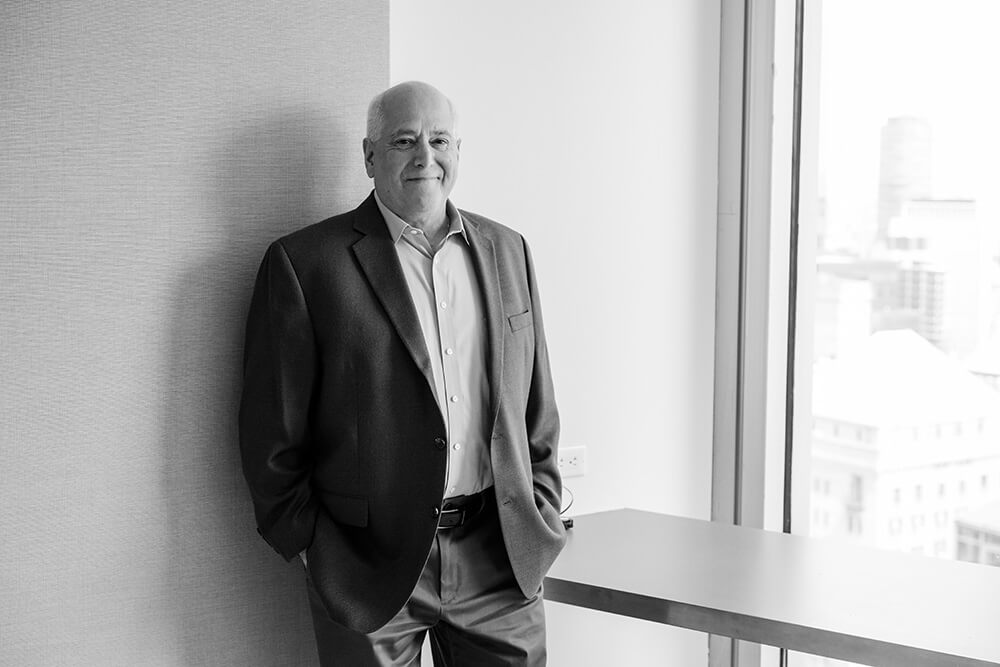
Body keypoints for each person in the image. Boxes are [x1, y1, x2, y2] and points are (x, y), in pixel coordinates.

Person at [238, 81, 566, 666]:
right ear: (369, 156)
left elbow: (535, 405)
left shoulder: (508, 249)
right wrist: (313, 546)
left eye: (440, 139)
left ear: (458, 151)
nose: (425, 156)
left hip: (500, 557)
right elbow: (271, 433)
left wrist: (541, 502)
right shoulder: (305, 264)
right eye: (403, 140)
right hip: (368, 566)